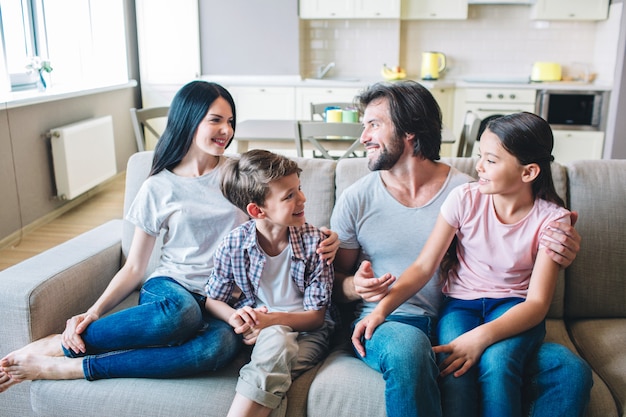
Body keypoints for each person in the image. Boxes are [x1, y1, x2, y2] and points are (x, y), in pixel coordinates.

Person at [0, 81, 338, 389]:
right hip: (172, 287)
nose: (227, 130)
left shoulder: (240, 173)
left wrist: (325, 237)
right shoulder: (158, 187)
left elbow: (283, 211)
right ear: (189, 120)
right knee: (182, 315)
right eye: (216, 120)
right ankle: (59, 344)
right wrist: (94, 311)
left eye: (231, 121)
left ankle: (80, 367)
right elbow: (135, 267)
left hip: (225, 298)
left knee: (216, 348)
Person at [330, 81, 591, 417]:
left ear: (410, 131)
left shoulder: (473, 190)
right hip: (399, 322)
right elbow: (335, 282)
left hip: (466, 318)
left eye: (374, 124)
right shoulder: (357, 197)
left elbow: (520, 227)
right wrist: (356, 288)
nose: (363, 136)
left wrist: (560, 241)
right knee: (414, 352)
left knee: (570, 370)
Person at [205, 149, 335, 417]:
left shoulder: (316, 244)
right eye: (289, 196)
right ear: (257, 210)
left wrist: (270, 321)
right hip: (262, 334)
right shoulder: (234, 244)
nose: (302, 198)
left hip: (309, 334)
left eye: (299, 189)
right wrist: (236, 316)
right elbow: (213, 299)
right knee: (277, 357)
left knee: (276, 352)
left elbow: (317, 318)